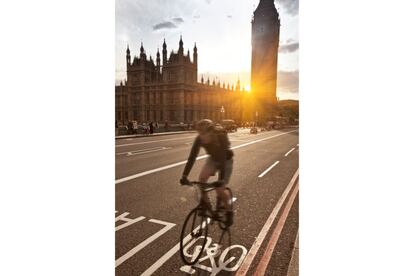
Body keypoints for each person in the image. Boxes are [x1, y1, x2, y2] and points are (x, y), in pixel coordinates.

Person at [180, 119, 234, 226]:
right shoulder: (199, 139)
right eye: (199, 133)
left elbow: (223, 158)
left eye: (204, 133)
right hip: (213, 158)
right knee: (201, 180)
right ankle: (206, 205)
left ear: (211, 132)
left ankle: (229, 212)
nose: (201, 136)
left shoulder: (220, 137)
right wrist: (184, 175)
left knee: (220, 189)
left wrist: (221, 180)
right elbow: (192, 157)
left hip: (226, 160)